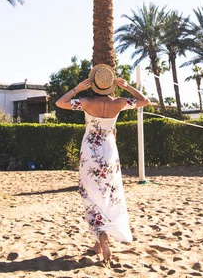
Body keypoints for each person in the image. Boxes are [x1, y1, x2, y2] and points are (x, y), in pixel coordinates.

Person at [56, 63, 150, 266]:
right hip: (109, 151)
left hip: (90, 151)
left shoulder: (86, 101)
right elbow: (145, 101)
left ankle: (101, 239)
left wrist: (77, 89)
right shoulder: (120, 102)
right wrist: (126, 87)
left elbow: (60, 103)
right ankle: (101, 242)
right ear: (110, 85)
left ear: (94, 84)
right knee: (109, 192)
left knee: (90, 194)